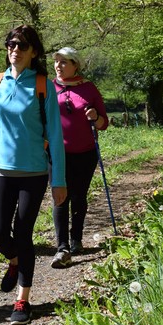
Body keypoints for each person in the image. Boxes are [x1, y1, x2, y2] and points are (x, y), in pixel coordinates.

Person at [0, 25, 67, 325]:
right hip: (2, 170)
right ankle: (14, 261)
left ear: (33, 52)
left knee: (24, 233)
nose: (15, 49)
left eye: (22, 45)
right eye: (11, 43)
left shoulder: (43, 85)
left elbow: (54, 135)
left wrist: (59, 181)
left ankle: (22, 299)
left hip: (34, 172)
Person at [49, 47, 108, 269]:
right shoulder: (48, 87)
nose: (58, 66)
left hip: (85, 152)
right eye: (56, 62)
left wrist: (95, 117)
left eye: (64, 62)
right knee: (59, 196)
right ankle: (62, 245)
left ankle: (76, 239)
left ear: (76, 65)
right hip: (57, 152)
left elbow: (104, 123)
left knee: (79, 196)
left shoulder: (88, 88)